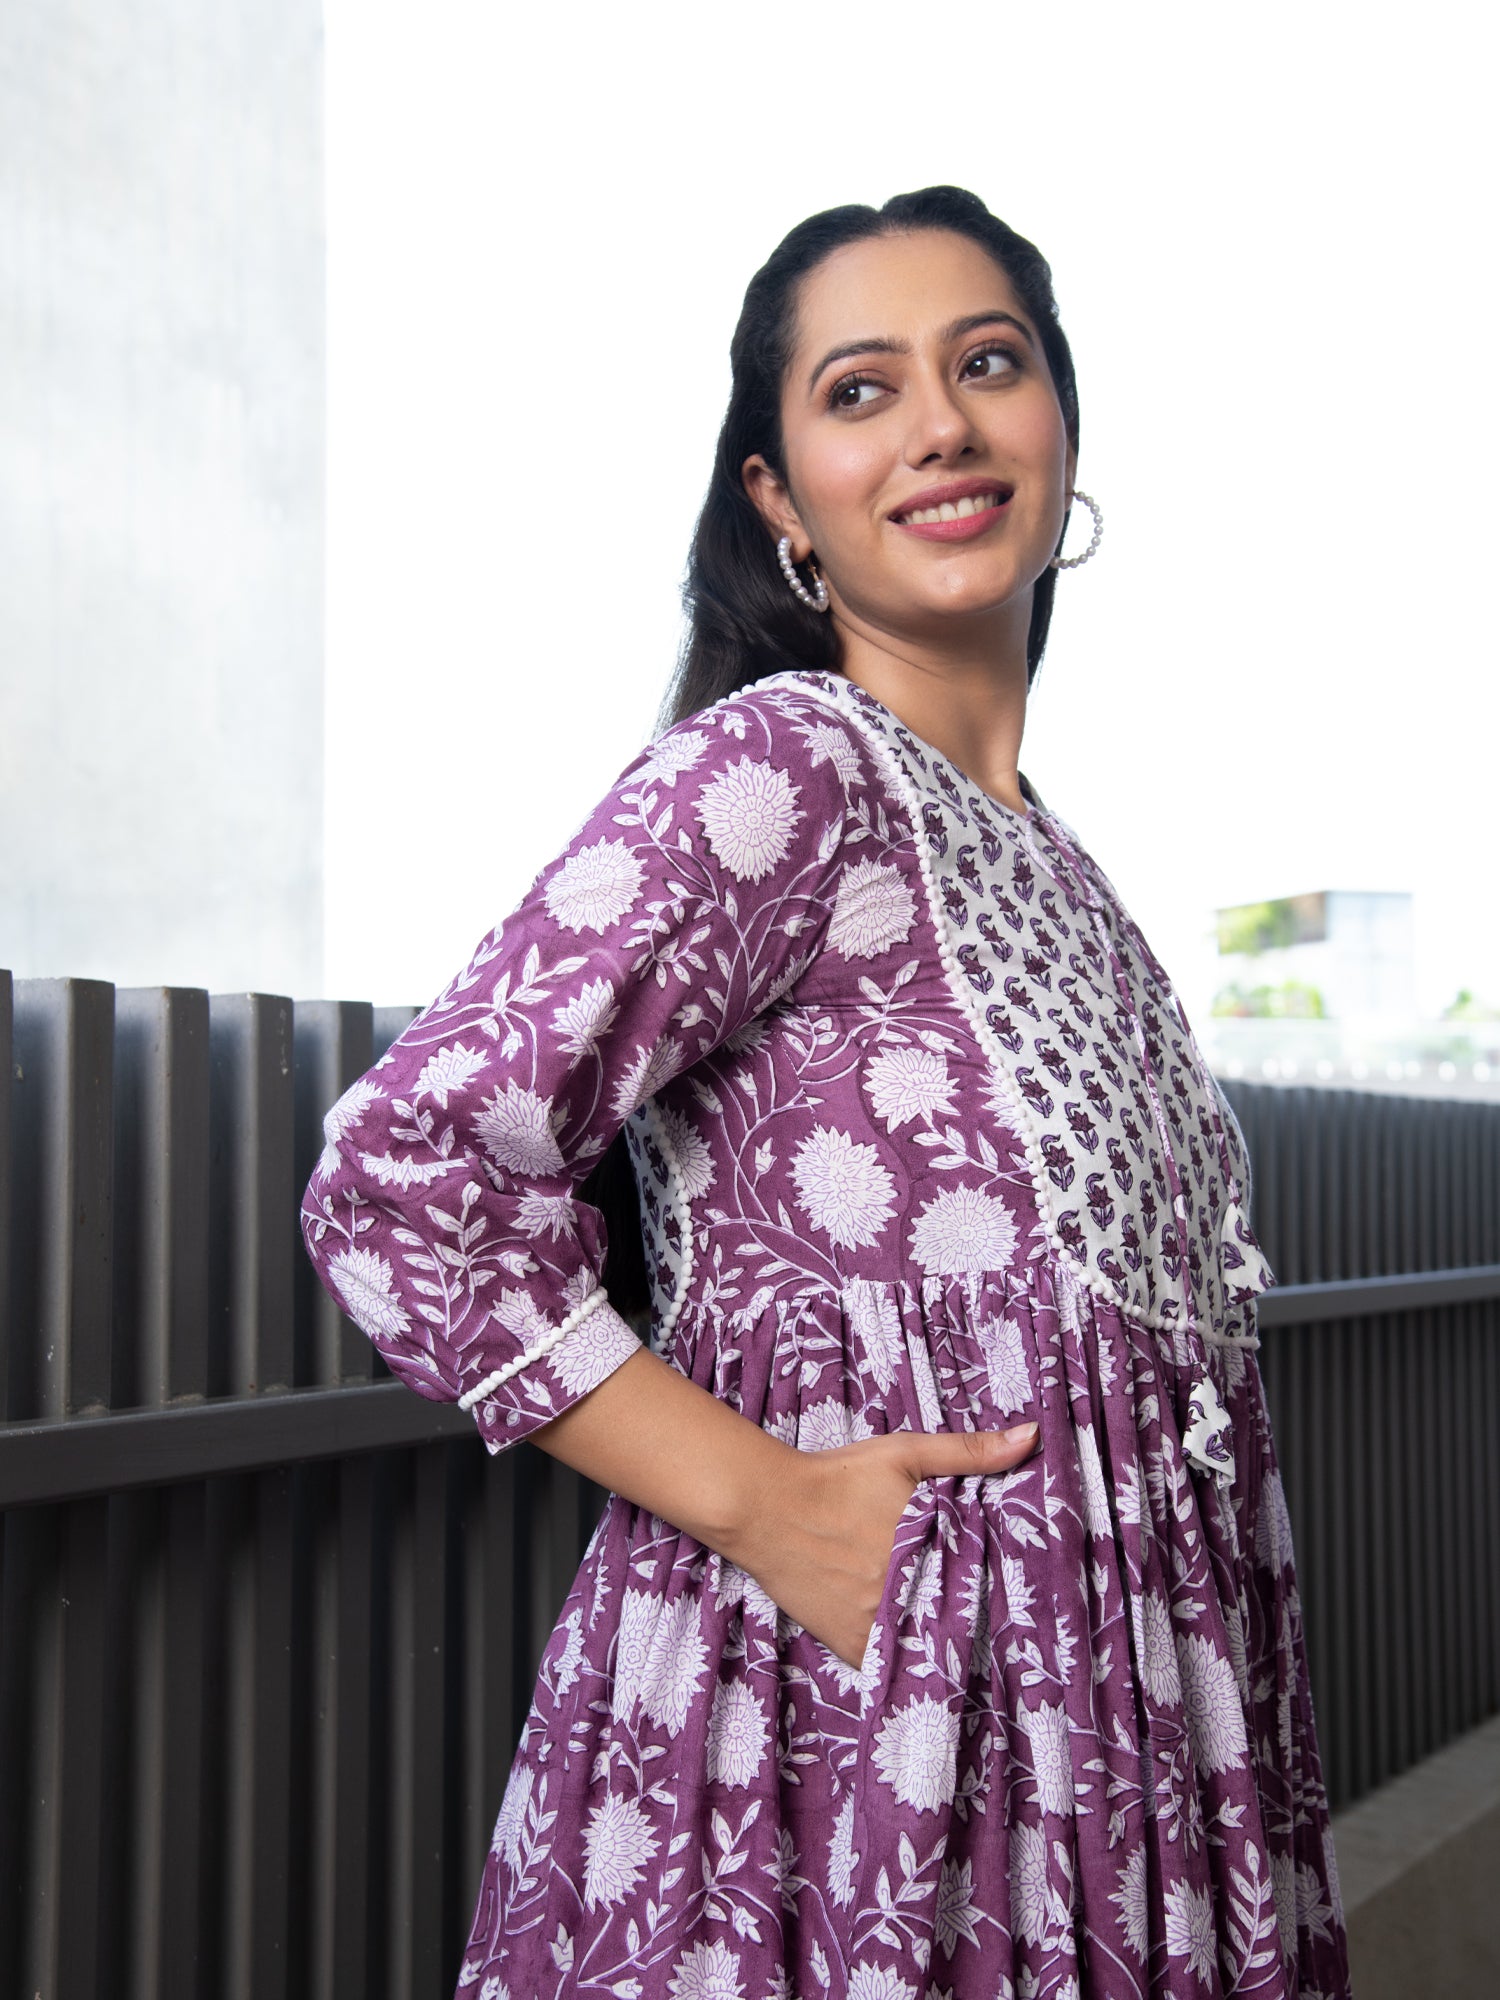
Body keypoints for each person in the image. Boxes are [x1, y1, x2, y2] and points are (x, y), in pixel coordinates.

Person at [302, 185, 1352, 2000]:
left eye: (988, 364)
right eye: (861, 391)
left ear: (1062, 426)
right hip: (850, 1774)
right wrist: (770, 1506)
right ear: (779, 498)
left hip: (1128, 1787)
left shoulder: (1064, 866)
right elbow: (404, 1177)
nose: (940, 423)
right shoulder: (788, 767)